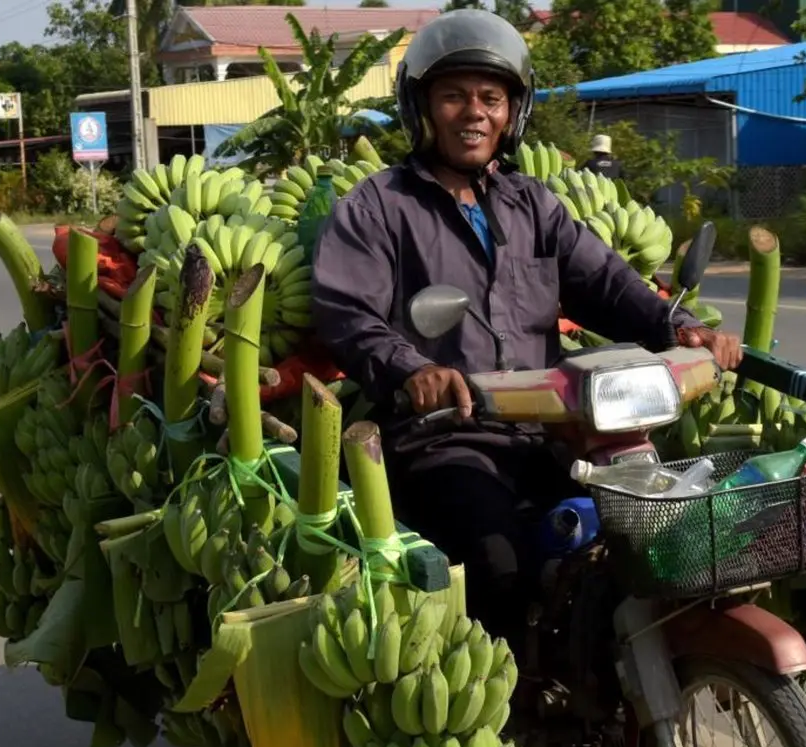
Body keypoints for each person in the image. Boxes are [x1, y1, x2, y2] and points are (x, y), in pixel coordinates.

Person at [310, 9, 741, 650]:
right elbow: (349, 312)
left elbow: (605, 282)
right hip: (443, 440)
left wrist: (679, 327)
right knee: (500, 566)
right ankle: (507, 724)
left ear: (514, 112)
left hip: (548, 432)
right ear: (422, 107)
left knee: (636, 534)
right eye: (454, 95)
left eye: (491, 97)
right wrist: (412, 369)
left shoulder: (530, 204)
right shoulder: (378, 207)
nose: (474, 112)